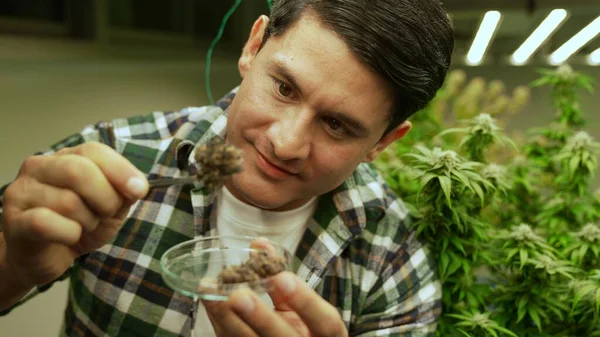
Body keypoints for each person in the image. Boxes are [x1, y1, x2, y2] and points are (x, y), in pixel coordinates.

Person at [0, 0, 454, 336]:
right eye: (283, 88)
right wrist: (15, 266)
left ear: (382, 142)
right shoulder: (115, 153)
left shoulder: (390, 255)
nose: (285, 143)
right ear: (253, 47)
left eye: (336, 125)